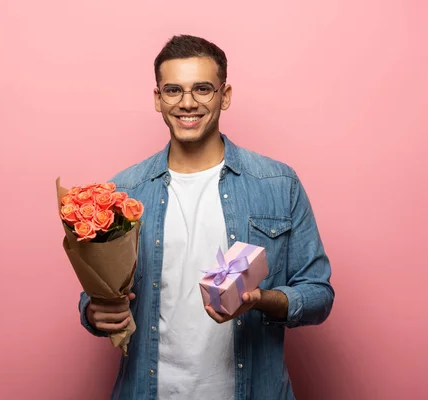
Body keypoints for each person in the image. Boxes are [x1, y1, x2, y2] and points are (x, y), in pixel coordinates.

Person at [77, 34, 334, 400]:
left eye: (202, 89)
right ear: (157, 99)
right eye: (173, 90)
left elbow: (319, 293)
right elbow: (96, 294)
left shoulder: (277, 184)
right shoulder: (124, 191)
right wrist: (93, 313)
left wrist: (260, 299)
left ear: (224, 96)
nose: (187, 103)